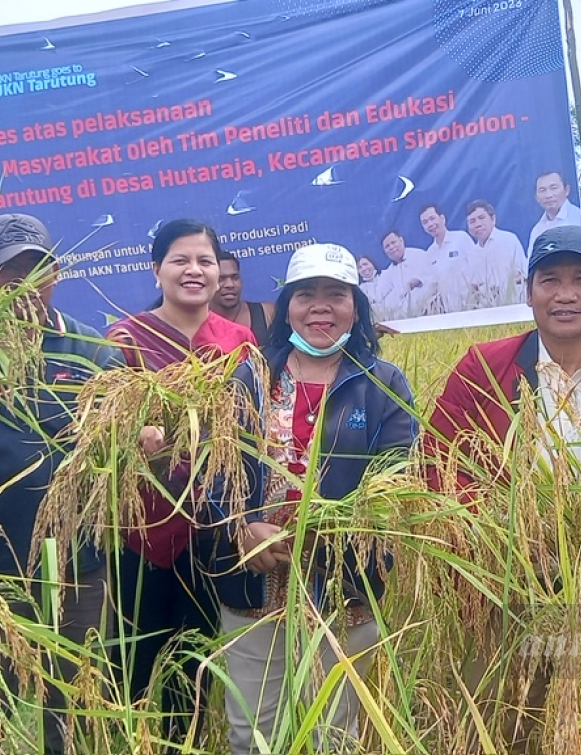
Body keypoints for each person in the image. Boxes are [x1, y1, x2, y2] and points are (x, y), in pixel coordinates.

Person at [426, 225, 581, 752]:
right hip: (496, 588)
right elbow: (436, 465)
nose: (565, 294)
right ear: (529, 292)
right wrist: (497, 533)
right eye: (550, 280)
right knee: (498, 719)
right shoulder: (483, 368)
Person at [201, 243, 416, 754]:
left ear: (356, 309)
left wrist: (333, 528)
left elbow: (398, 479)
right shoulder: (249, 378)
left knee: (335, 730)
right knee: (254, 730)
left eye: (335, 294)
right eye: (306, 294)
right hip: (253, 587)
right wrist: (242, 529)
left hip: (345, 587)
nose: (320, 306)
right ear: (287, 307)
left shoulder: (381, 384)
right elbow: (215, 472)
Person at [0, 214, 121, 753]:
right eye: (6, 271)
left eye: (34, 270)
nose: (21, 285)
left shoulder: (90, 349)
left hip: (76, 566)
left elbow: (117, 451)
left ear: (55, 274)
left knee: (71, 712)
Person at [106, 219, 256, 745]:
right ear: (157, 269)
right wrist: (129, 434)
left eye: (205, 261)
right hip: (139, 533)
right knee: (131, 665)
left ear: (219, 274)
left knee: (194, 669)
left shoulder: (240, 343)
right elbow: (99, 433)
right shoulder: (125, 339)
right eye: (180, 260)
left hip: (211, 533)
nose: (194, 270)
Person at [418, 203, 480, 312]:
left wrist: (475, 298)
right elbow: (433, 284)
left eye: (432, 218)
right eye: (425, 222)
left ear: (442, 218)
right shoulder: (430, 252)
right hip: (449, 310)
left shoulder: (461, 238)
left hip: (472, 305)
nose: (430, 224)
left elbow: (476, 267)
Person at [467, 199, 527, 306]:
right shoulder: (472, 252)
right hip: (485, 310)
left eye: (481, 218)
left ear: (493, 219)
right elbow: (474, 287)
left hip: (511, 305)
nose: (477, 224)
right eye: (472, 221)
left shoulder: (508, 240)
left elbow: (523, 275)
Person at [212, 252, 275, 346]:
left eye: (235, 277)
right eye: (221, 279)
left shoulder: (268, 313)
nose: (230, 285)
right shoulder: (195, 321)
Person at [371, 229, 437, 319]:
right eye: (387, 246)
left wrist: (415, 282)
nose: (391, 247)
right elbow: (379, 296)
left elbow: (433, 280)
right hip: (403, 317)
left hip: (427, 313)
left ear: (401, 240)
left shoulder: (419, 255)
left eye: (393, 242)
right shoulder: (388, 273)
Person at [527, 171, 581, 252]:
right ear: (536, 197)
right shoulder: (537, 230)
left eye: (553, 188)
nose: (548, 195)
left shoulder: (580, 217)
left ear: (567, 190)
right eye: (542, 190)